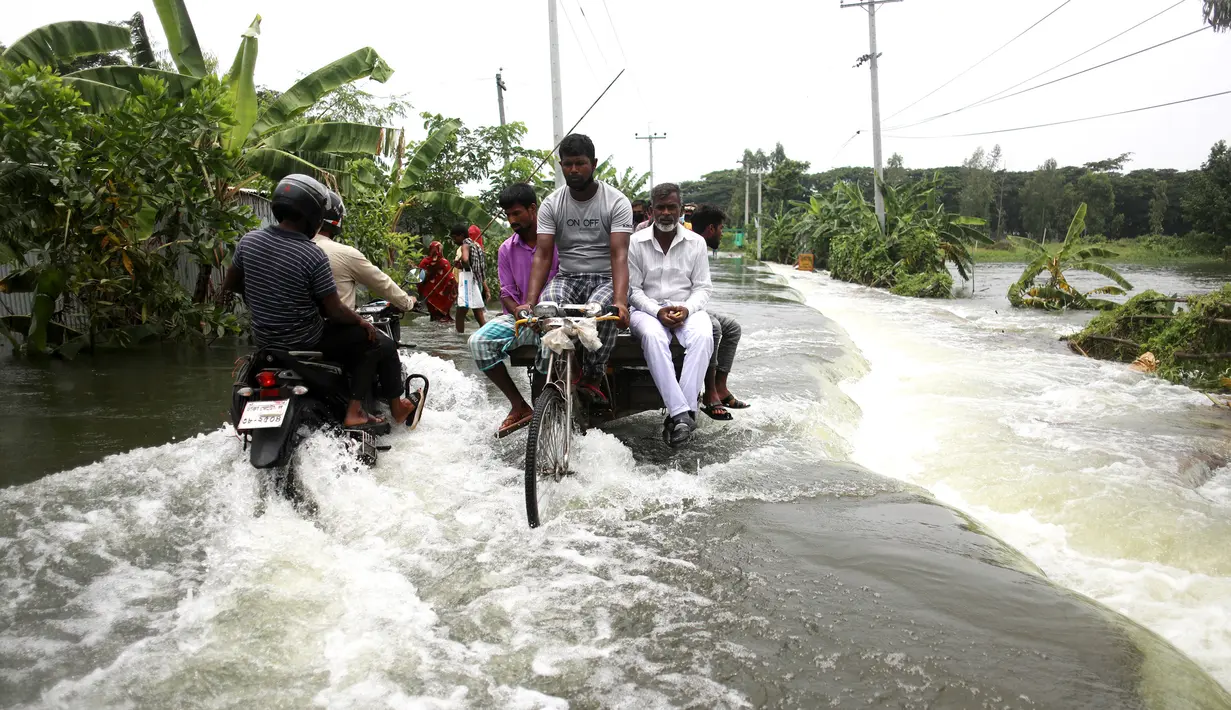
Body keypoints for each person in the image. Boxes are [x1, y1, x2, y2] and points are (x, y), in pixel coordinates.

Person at [218, 174, 418, 428]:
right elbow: (334, 311)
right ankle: (357, 412)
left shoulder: (249, 242)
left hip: (265, 341)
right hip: (307, 339)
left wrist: (262, 303)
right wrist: (363, 324)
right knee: (377, 343)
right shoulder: (311, 254)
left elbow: (231, 286)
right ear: (312, 213)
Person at [516, 133, 634, 405]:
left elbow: (619, 254)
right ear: (561, 165)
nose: (574, 170)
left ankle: (593, 376)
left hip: (605, 276)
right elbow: (543, 255)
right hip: (568, 276)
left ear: (593, 164)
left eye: (580, 163)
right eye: (568, 164)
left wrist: (620, 301)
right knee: (546, 307)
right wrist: (529, 303)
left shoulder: (616, 202)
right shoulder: (552, 203)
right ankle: (555, 369)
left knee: (599, 312)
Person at [467, 184, 560, 437]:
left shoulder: (557, 243)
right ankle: (519, 405)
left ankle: (542, 411)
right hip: (519, 317)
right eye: (507, 215)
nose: (512, 220)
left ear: (533, 209)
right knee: (478, 341)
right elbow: (506, 292)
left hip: (557, 317)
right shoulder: (506, 249)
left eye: (517, 213)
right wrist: (518, 311)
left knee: (549, 343)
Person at [627, 183, 713, 446]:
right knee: (653, 337)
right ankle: (683, 413)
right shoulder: (635, 242)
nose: (666, 213)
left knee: (704, 335)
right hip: (647, 310)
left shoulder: (696, 243)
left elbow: (702, 288)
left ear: (680, 211)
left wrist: (686, 309)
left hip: (686, 308)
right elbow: (633, 290)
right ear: (651, 211)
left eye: (671, 207)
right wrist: (657, 310)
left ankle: (680, 417)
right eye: (661, 207)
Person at [313, 190, 416, 313]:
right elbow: (382, 283)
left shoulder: (292, 249)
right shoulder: (345, 254)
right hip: (338, 328)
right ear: (337, 220)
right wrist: (408, 302)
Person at [690, 204, 749, 419]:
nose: (723, 234)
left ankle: (720, 387)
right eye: (722, 229)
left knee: (732, 328)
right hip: (683, 309)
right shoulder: (688, 246)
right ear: (711, 229)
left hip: (695, 307)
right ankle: (710, 392)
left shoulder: (701, 248)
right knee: (713, 327)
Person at [451, 223, 489, 333]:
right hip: (475, 281)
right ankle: (485, 332)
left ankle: (459, 337)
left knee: (460, 312)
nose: (454, 241)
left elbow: (465, 259)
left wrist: (462, 266)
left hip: (467, 280)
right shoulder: (476, 245)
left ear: (461, 235)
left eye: (455, 238)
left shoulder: (465, 246)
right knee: (478, 311)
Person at [418, 241, 457, 321]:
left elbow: (419, 280)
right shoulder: (444, 262)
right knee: (443, 319)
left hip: (430, 296)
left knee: (433, 317)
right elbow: (451, 280)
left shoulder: (424, 262)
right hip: (443, 297)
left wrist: (421, 292)